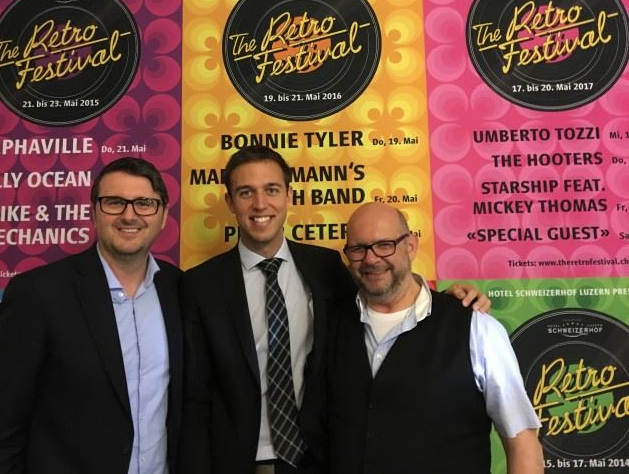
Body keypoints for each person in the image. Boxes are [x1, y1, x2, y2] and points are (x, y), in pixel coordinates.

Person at [181, 145, 490, 474]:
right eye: (246, 192)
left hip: (318, 460)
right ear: (230, 202)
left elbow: (381, 292)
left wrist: (444, 302)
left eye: (271, 190)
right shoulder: (200, 286)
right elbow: (196, 396)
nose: (260, 204)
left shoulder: (325, 266)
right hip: (238, 463)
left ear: (288, 195)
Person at [0, 157, 184, 474]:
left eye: (144, 203)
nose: (129, 215)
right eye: (114, 202)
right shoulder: (38, 294)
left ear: (163, 215)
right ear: (94, 212)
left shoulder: (178, 289)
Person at [327, 202, 544, 474]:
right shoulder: (331, 324)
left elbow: (522, 444)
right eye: (359, 249)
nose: (371, 259)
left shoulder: (476, 327)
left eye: (385, 245)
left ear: (410, 246)